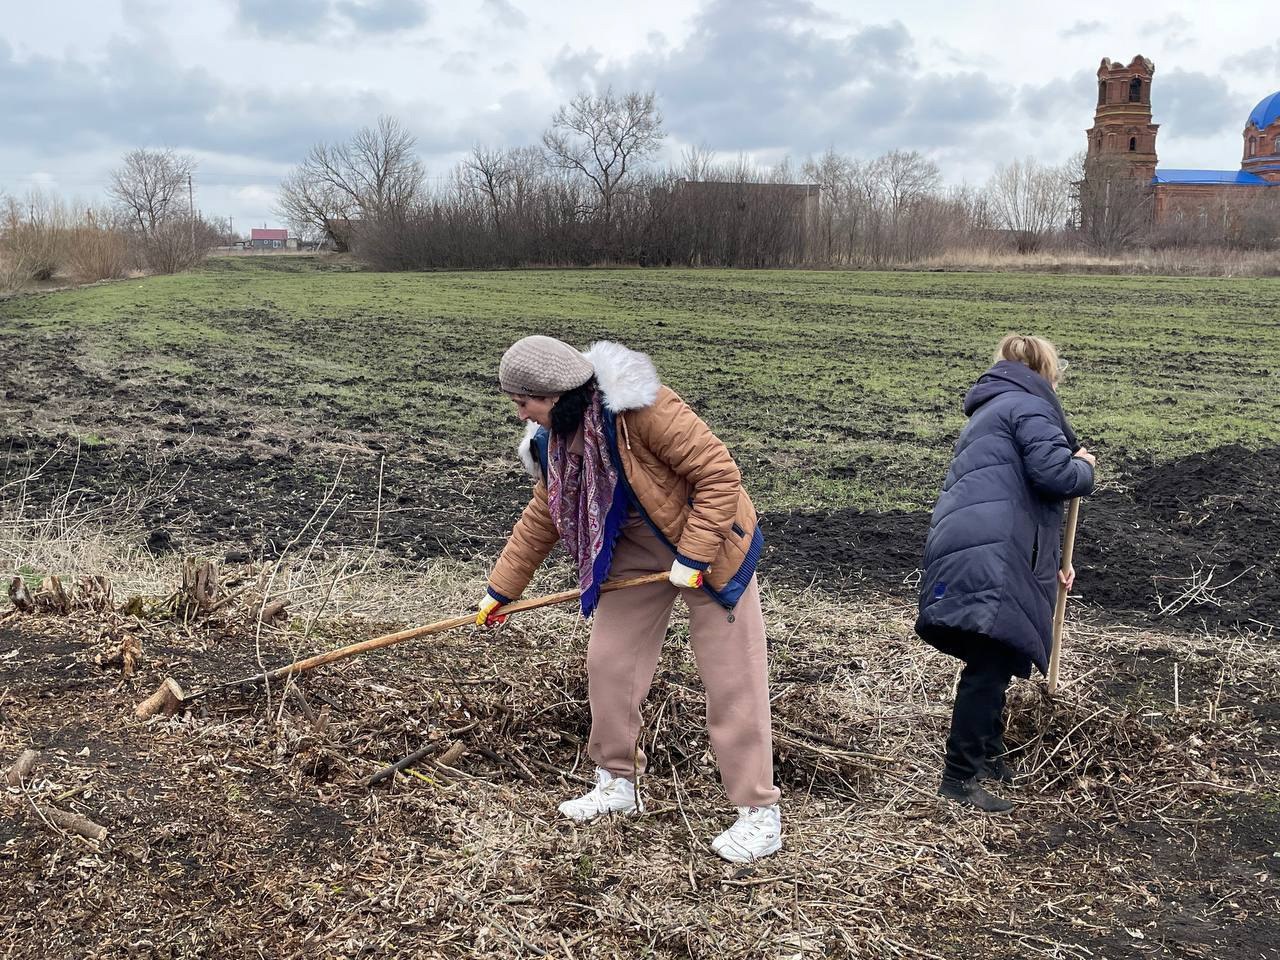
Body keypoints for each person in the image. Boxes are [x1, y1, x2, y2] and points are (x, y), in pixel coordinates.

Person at [476, 335, 781, 863]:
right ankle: (617, 784)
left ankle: (759, 813)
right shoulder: (552, 441)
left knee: (732, 678)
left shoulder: (644, 409)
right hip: (631, 554)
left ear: (554, 393)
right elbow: (544, 515)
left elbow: (718, 475)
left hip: (710, 547)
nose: (518, 412)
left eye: (522, 400)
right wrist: (500, 589)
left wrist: (694, 556)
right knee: (609, 665)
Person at [915, 334, 1096, 813]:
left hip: (980, 538)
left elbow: (1018, 494)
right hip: (992, 546)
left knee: (1000, 647)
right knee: (991, 660)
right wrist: (1085, 468)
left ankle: (990, 755)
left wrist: (1054, 562)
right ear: (1047, 373)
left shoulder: (992, 407)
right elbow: (1054, 477)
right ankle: (959, 778)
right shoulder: (1029, 407)